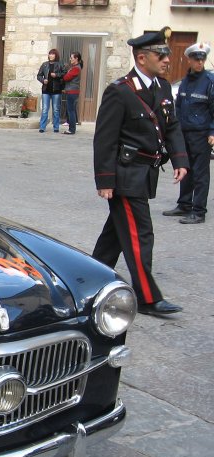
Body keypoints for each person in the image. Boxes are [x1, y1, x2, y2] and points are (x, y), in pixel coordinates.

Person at [92, 26, 189, 317]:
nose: (167, 60)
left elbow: (171, 126)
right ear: (142, 58)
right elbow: (105, 138)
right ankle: (148, 298)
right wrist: (105, 180)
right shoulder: (120, 91)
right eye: (161, 55)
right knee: (139, 234)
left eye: (166, 55)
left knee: (115, 235)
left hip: (145, 174)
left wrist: (180, 159)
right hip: (124, 175)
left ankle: (89, 280)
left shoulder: (161, 88)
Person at [162, 42, 214, 224]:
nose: (199, 62)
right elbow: (178, 106)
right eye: (196, 59)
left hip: (201, 134)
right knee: (185, 169)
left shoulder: (209, 81)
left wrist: (212, 131)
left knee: (200, 174)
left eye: (202, 59)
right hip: (184, 132)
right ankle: (184, 204)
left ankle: (199, 211)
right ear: (189, 60)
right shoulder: (185, 82)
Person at [37, 49, 65, 133]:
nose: (51, 55)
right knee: (45, 109)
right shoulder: (45, 64)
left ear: (56, 55)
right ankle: (42, 127)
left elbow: (64, 74)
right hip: (46, 90)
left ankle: (56, 127)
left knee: (56, 109)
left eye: (53, 54)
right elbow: (39, 75)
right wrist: (43, 80)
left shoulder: (60, 64)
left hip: (56, 90)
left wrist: (56, 75)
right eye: (50, 54)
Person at [62, 52, 83, 135]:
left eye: (71, 58)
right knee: (72, 110)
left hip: (72, 92)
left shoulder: (76, 68)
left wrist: (66, 74)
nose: (70, 59)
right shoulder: (75, 67)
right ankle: (72, 128)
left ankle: (71, 129)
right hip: (72, 91)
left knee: (71, 111)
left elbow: (66, 78)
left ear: (76, 58)